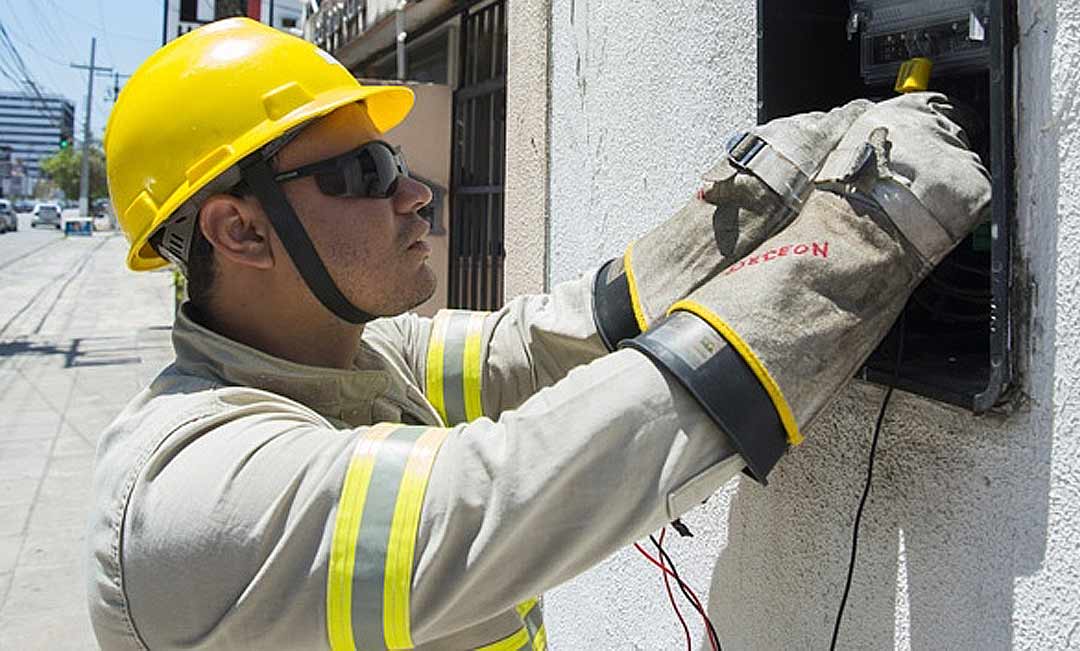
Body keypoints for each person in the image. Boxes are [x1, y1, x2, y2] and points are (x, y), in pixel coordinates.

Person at [87, 17, 990, 650]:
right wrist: (868, 225)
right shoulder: (195, 495)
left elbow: (545, 343)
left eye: (396, 161)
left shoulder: (348, 360)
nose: (415, 193)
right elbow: (507, 493)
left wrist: (756, 201)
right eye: (363, 172)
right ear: (239, 232)